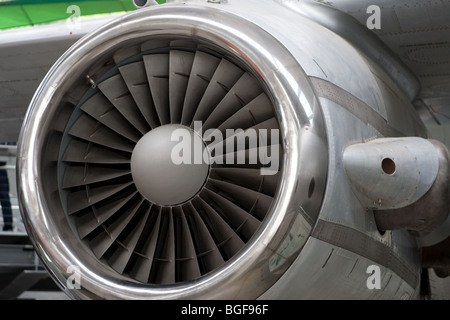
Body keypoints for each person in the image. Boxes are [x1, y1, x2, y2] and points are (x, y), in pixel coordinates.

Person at [0, 161, 13, 231]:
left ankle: (8, 225)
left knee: (5, 198)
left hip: (1, 168)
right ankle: (8, 225)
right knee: (5, 199)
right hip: (2, 168)